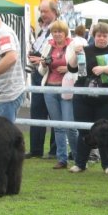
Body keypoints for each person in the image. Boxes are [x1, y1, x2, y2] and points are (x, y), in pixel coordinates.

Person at [66, 22, 108, 173]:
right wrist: (75, 55)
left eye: (105, 36)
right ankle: (80, 163)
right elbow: (71, 67)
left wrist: (104, 69)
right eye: (99, 35)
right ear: (93, 36)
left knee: (106, 130)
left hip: (106, 97)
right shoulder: (85, 50)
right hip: (84, 95)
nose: (101, 38)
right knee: (84, 130)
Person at [36, 20, 78, 170]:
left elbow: (79, 67)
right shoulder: (48, 46)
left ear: (65, 32)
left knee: (70, 125)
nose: (57, 34)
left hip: (66, 87)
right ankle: (62, 158)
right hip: (50, 88)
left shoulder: (73, 45)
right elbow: (41, 72)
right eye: (54, 31)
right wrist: (43, 64)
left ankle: (79, 157)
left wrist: (67, 68)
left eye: (60, 31)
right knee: (58, 126)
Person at [25, 0, 59, 159]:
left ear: (54, 12)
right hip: (37, 73)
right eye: (41, 11)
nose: (42, 14)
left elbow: (61, 54)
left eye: (45, 11)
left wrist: (42, 60)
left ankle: (54, 150)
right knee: (36, 111)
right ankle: (36, 149)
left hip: (51, 75)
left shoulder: (59, 29)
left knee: (54, 113)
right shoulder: (42, 30)